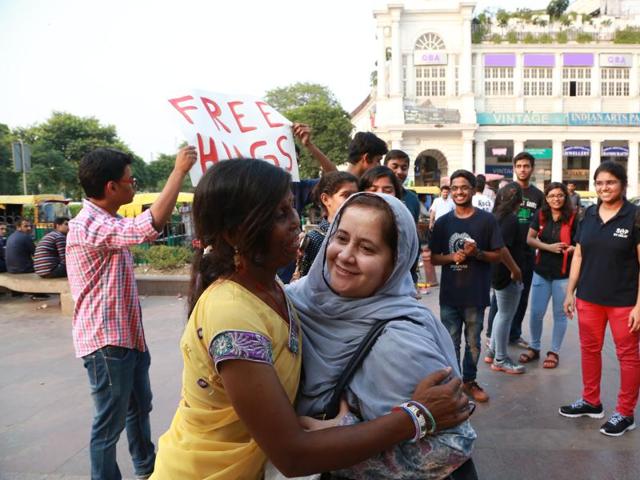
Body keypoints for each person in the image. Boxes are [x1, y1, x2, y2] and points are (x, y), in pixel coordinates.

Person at [152, 159, 472, 480]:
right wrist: (414, 416)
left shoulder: (281, 292)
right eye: (279, 214)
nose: (295, 222)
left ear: (397, 262)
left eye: (292, 208)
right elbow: (293, 454)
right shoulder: (235, 312)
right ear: (237, 232)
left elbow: (451, 442)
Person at [288, 192, 477, 479]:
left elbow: (453, 445)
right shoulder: (293, 302)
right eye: (341, 238)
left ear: (395, 263)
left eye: (367, 249)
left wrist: (334, 443)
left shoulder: (402, 339)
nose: (346, 256)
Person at [67, 145, 197, 479]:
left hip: (127, 339)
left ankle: (146, 469)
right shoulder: (88, 225)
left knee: (139, 410)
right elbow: (147, 227)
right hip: (106, 344)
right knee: (108, 426)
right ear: (111, 187)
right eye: (130, 180)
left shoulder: (107, 220)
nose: (133, 185)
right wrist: (178, 172)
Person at [561, 161, 640, 437]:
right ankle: (591, 401)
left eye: (611, 182)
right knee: (589, 350)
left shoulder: (634, 216)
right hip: (589, 298)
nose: (604, 187)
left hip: (624, 301)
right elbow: (579, 254)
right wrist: (570, 291)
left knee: (628, 357)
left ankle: (625, 412)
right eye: (600, 183)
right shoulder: (590, 214)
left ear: (622, 185)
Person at [430, 170, 504, 402]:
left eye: (464, 187)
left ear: (473, 189)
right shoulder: (443, 223)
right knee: (450, 342)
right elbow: (433, 257)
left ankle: (469, 381)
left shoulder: (487, 220)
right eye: (455, 188)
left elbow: (497, 255)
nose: (459, 192)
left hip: (476, 293)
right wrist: (453, 258)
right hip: (450, 295)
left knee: (473, 342)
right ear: (450, 191)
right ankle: (452, 385)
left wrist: (478, 253)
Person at [487, 152, 544, 349]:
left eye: (526, 166)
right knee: (501, 296)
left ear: (532, 168)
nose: (522, 169)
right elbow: (495, 217)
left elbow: (542, 222)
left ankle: (514, 333)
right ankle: (491, 335)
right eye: (519, 166)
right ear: (514, 168)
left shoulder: (538, 195)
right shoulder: (506, 191)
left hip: (526, 251)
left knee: (522, 295)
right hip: (505, 249)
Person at [522, 182, 577, 369]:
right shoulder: (541, 215)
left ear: (565, 197)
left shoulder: (574, 217)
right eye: (552, 195)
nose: (556, 199)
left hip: (563, 275)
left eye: (560, 195)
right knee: (536, 313)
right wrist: (549, 248)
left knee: (560, 315)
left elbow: (582, 246)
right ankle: (534, 347)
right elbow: (529, 239)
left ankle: (554, 351)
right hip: (541, 272)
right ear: (546, 198)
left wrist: (572, 249)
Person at [484, 183, 525, 374]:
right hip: (506, 273)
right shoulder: (510, 219)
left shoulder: (495, 217)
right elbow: (502, 248)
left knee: (502, 313)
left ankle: (493, 351)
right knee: (505, 315)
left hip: (496, 272)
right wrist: (515, 270)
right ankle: (500, 358)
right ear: (519, 201)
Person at [295, 171, 358, 278]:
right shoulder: (314, 239)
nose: (352, 200)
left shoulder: (360, 234)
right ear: (325, 199)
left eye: (355, 195)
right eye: (345, 195)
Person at [384, 149, 420, 221]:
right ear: (385, 168)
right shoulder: (375, 195)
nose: (399, 172)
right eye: (394, 167)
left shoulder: (413, 199)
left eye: (404, 168)